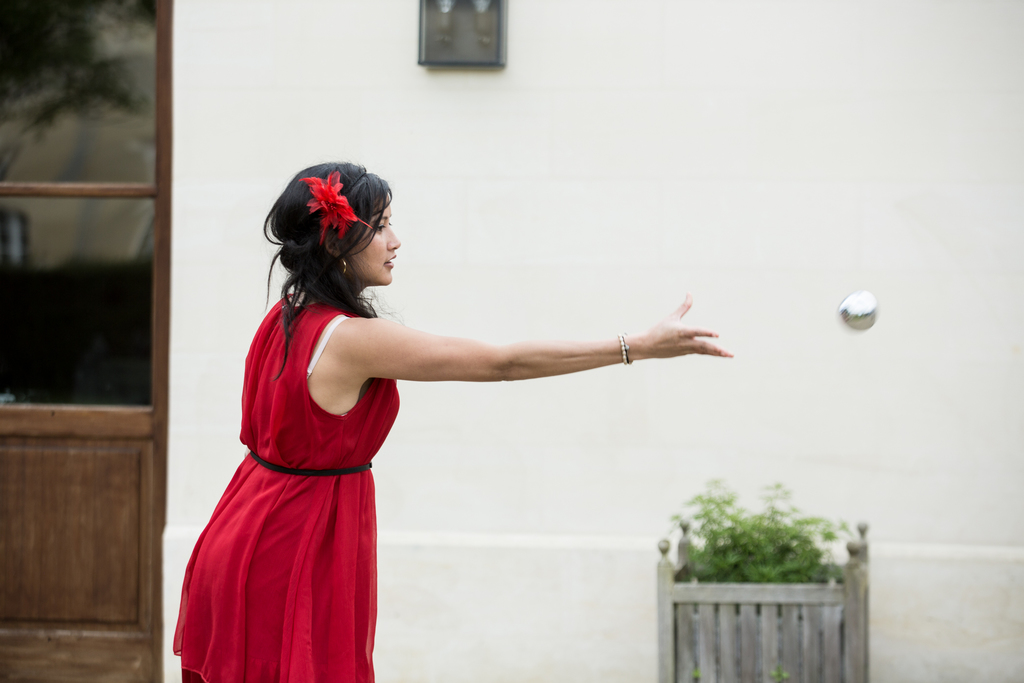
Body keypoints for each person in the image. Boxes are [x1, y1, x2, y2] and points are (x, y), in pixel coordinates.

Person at [173, 162, 732, 683]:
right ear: (339, 239)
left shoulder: (285, 317)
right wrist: (636, 346)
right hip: (294, 544)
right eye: (383, 225)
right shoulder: (351, 339)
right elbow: (502, 363)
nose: (396, 241)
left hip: (246, 524)